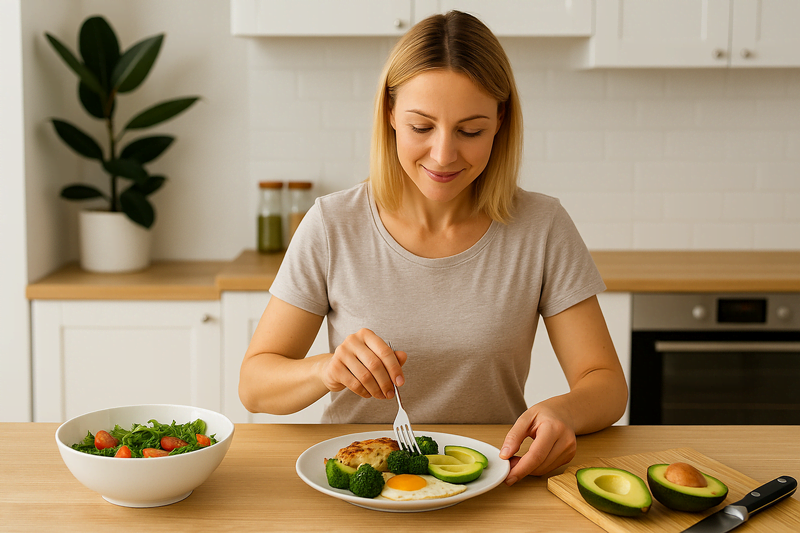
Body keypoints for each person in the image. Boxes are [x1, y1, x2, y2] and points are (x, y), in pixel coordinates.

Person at [239, 10, 628, 486]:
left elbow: (606, 383)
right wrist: (327, 370)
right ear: (390, 114)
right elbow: (254, 386)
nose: (443, 155)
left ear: (500, 121)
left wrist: (564, 411)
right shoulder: (331, 223)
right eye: (421, 127)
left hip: (486, 483)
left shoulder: (541, 226)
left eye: (470, 131)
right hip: (360, 490)